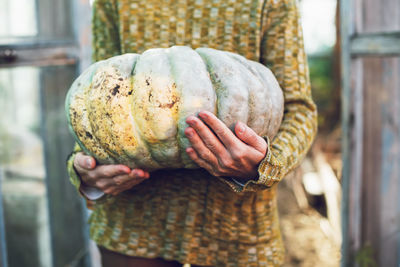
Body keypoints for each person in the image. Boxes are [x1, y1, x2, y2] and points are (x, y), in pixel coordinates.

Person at [67, 0, 317, 266]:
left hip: (237, 236)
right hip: (130, 235)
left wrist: (264, 165)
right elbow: (96, 100)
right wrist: (87, 169)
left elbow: (298, 109)